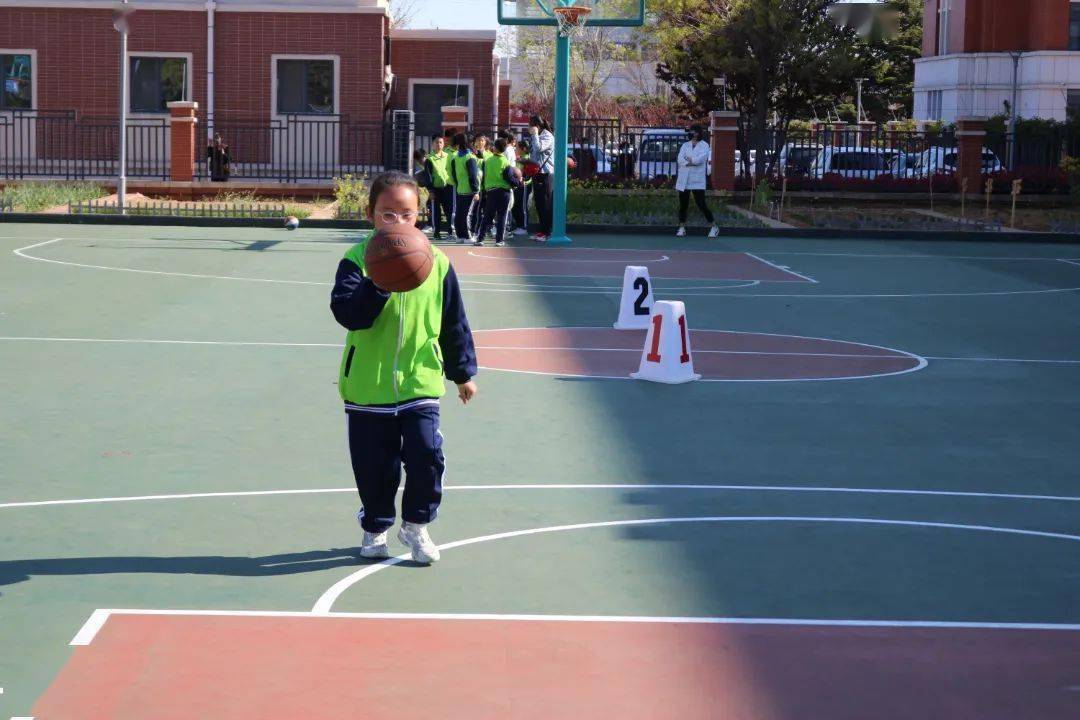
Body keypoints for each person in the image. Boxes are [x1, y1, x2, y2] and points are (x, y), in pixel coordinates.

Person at [329, 171, 478, 564]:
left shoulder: (438, 263)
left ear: (420, 215)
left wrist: (462, 373)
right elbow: (347, 314)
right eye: (387, 214)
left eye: (407, 214)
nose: (397, 223)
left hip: (419, 382)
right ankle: (375, 526)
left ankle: (416, 525)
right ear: (370, 214)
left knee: (427, 455)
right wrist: (377, 283)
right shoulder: (357, 260)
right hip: (367, 387)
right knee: (374, 468)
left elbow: (453, 321)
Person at [675, 125, 720, 238]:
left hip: (697, 180)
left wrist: (691, 160)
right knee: (683, 205)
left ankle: (714, 227)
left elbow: (701, 159)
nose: (693, 133)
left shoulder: (705, 145)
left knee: (701, 204)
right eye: (692, 131)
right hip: (684, 179)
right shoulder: (685, 145)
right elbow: (680, 159)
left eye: (695, 131)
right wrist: (689, 162)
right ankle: (681, 227)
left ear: (699, 132)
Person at [474, 138, 514, 247]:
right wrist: (518, 183)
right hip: (504, 192)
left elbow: (483, 176)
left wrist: (483, 189)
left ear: (495, 148)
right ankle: (499, 240)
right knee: (502, 216)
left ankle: (480, 239)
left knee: (487, 216)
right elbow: (509, 177)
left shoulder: (488, 161)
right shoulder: (505, 161)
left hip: (491, 191)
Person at [448, 132, 480, 243]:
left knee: (460, 213)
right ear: (469, 143)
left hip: (460, 189)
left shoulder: (456, 157)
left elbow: (453, 174)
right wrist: (476, 190)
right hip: (469, 191)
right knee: (467, 214)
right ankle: (468, 236)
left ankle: (460, 236)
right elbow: (473, 176)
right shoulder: (470, 157)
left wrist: (458, 184)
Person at [527, 115, 555, 242]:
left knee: (545, 203)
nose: (529, 128)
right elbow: (534, 155)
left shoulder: (547, 135)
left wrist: (535, 135)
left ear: (537, 126)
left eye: (531, 125)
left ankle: (547, 231)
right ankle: (542, 230)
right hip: (537, 173)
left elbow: (539, 149)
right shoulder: (537, 136)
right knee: (539, 203)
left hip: (546, 174)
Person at [424, 134, 456, 240]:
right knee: (436, 212)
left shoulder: (448, 156)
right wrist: (430, 190)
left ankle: (450, 232)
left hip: (448, 188)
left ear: (444, 144)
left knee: (449, 211)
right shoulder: (429, 159)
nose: (439, 144)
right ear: (432, 144)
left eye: (441, 142)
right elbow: (427, 176)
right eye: (437, 142)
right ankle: (436, 233)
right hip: (435, 189)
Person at [511, 138, 533, 236]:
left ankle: (524, 227)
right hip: (518, 185)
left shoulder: (527, 159)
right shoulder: (519, 158)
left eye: (518, 147)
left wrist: (524, 180)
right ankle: (518, 225)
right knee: (516, 206)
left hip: (524, 186)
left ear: (523, 148)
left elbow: (528, 174)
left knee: (523, 207)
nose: (516, 148)